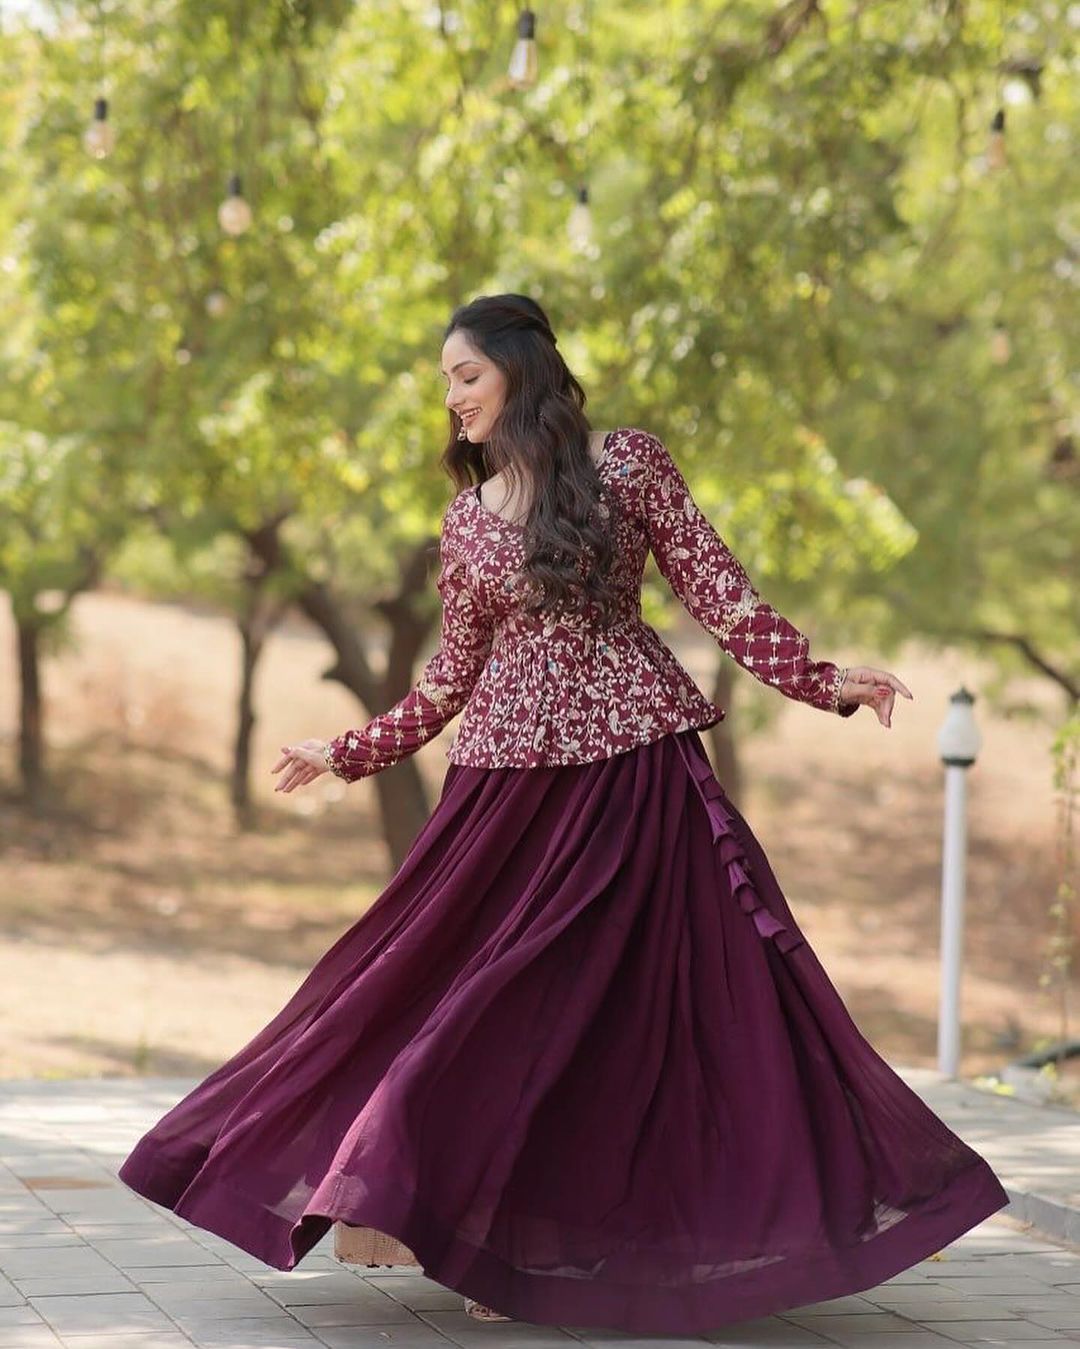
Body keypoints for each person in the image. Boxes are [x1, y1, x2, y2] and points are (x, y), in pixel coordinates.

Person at [118, 293, 1010, 1335]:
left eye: (465, 375)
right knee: (465, 1009)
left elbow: (723, 594)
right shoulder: (466, 519)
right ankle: (471, 1229)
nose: (451, 400)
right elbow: (448, 676)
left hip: (637, 780)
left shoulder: (628, 465)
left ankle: (709, 1224)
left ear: (520, 370)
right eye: (445, 382)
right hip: (504, 797)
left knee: (648, 1015)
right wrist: (346, 748)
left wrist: (824, 681)